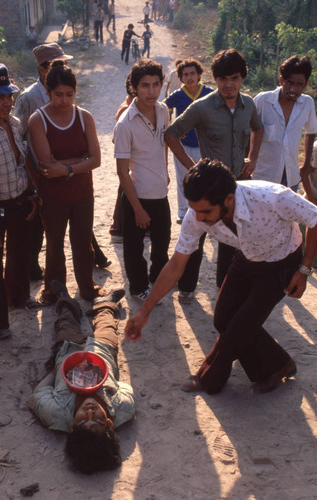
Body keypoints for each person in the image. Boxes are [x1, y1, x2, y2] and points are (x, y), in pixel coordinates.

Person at [125, 158, 317, 395]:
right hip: (246, 257)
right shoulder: (198, 214)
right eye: (194, 210)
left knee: (237, 329)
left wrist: (304, 270)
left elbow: (315, 218)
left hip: (281, 262)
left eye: (205, 211)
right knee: (223, 319)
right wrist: (144, 312)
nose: (198, 219)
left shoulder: (272, 197)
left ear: (228, 199)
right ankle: (280, 364)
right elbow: (176, 265)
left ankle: (208, 379)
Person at [165, 48, 264, 287]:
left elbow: (258, 129)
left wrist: (253, 158)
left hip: (239, 184)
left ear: (242, 77)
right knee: (194, 239)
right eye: (223, 79)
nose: (229, 84)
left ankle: (227, 290)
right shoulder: (202, 107)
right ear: (215, 79)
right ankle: (187, 288)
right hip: (209, 186)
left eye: (235, 78)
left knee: (235, 239)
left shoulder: (248, 105)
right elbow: (171, 134)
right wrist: (192, 168)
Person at [27, 281, 135, 474]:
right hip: (103, 352)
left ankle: (64, 298)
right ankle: (104, 303)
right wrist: (106, 373)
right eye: (99, 421)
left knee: (66, 323)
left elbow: (37, 394)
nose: (90, 412)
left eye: (83, 421)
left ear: (71, 427)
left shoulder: (55, 413)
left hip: (69, 351)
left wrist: (57, 371)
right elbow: (125, 387)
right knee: (106, 325)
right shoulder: (123, 408)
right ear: (110, 423)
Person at [28, 61, 101, 305]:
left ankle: (87, 288)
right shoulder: (37, 120)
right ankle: (54, 291)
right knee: (55, 246)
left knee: (83, 244)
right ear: (48, 93)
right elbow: (46, 166)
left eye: (70, 94)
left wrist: (66, 167)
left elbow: (97, 159)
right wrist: (80, 162)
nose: (64, 100)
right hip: (52, 197)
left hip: (82, 194)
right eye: (58, 94)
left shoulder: (84, 117)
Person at [0, 64, 38, 340]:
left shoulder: (12, 123)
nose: (7, 102)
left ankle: (19, 297)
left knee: (20, 254)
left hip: (19, 200)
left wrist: (33, 194)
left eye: (9, 96)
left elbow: (22, 162)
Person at [14, 42, 73, 281]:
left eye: (64, 63)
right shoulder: (29, 98)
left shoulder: (65, 91)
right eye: (56, 64)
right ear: (41, 69)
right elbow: (18, 139)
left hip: (61, 170)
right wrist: (31, 176)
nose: (63, 67)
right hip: (36, 172)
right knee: (36, 224)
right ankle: (30, 268)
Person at [113, 59, 170, 301]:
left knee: (162, 244)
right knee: (135, 249)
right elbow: (122, 172)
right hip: (138, 196)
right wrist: (136, 209)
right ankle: (138, 288)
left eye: (156, 84)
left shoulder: (163, 110)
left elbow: (164, 143)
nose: (151, 91)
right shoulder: (125, 124)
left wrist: (165, 170)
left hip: (160, 193)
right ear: (133, 87)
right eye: (145, 85)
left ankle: (156, 281)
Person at [164, 59, 213, 304]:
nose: (189, 78)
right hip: (183, 145)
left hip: (203, 144)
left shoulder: (209, 94)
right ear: (180, 77)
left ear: (199, 75)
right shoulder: (177, 95)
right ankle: (184, 211)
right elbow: (162, 109)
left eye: (193, 73)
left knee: (204, 179)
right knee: (185, 179)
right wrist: (173, 127)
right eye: (185, 74)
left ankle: (204, 206)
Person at [253, 56, 317, 192]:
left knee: (286, 213)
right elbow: (247, 133)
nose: (293, 89)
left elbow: (310, 132)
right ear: (281, 80)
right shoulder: (262, 101)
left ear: (305, 84)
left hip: (291, 177)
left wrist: (306, 165)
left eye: (299, 84)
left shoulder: (307, 103)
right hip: (262, 176)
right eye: (290, 83)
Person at [109, 74, 136, 243]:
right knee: (125, 188)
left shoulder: (128, 103)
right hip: (129, 154)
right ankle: (119, 228)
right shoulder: (127, 108)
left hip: (131, 155)